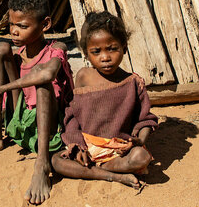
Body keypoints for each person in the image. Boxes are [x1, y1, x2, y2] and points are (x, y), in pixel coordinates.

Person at [0, 0, 73, 205]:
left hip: (48, 126)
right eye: (11, 25)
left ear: (45, 24)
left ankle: (42, 164)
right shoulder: (18, 54)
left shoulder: (58, 48)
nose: (14, 31)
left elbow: (47, 73)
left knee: (42, 81)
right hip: (20, 121)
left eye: (22, 26)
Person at [51, 11, 157, 190]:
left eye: (112, 48)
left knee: (141, 158)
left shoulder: (132, 82)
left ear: (124, 46)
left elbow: (145, 120)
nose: (105, 57)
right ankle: (112, 176)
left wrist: (139, 140)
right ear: (86, 53)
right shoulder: (83, 76)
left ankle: (102, 169)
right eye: (96, 51)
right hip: (88, 148)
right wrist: (77, 146)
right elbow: (73, 115)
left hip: (119, 150)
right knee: (56, 161)